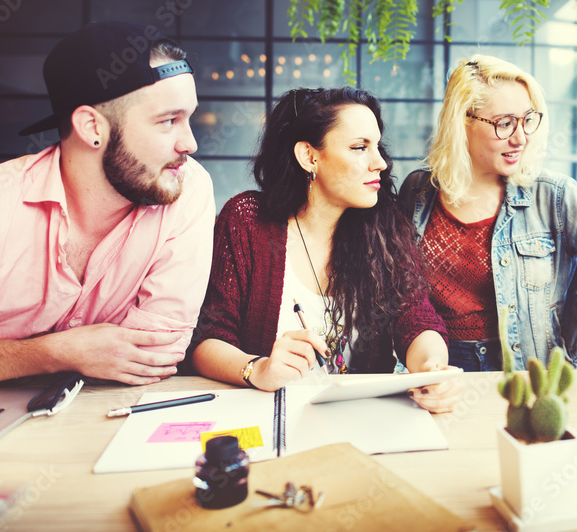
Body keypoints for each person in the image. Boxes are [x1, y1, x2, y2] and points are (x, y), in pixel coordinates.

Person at [0, 21, 214, 386]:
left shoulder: (187, 188)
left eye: (189, 118)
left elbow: (154, 356)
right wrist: (56, 353)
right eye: (169, 121)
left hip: (121, 412)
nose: (190, 144)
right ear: (92, 127)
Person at [190, 88, 459, 413]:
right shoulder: (247, 220)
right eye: (360, 147)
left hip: (364, 420)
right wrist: (257, 368)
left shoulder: (383, 225)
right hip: (272, 419)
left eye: (377, 146)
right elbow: (208, 338)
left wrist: (432, 369)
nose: (380, 162)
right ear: (309, 156)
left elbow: (416, 318)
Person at [398, 56, 577, 372]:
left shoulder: (554, 195)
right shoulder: (418, 190)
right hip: (438, 365)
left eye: (528, 119)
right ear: (462, 121)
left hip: (526, 372)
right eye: (504, 123)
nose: (520, 138)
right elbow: (401, 290)